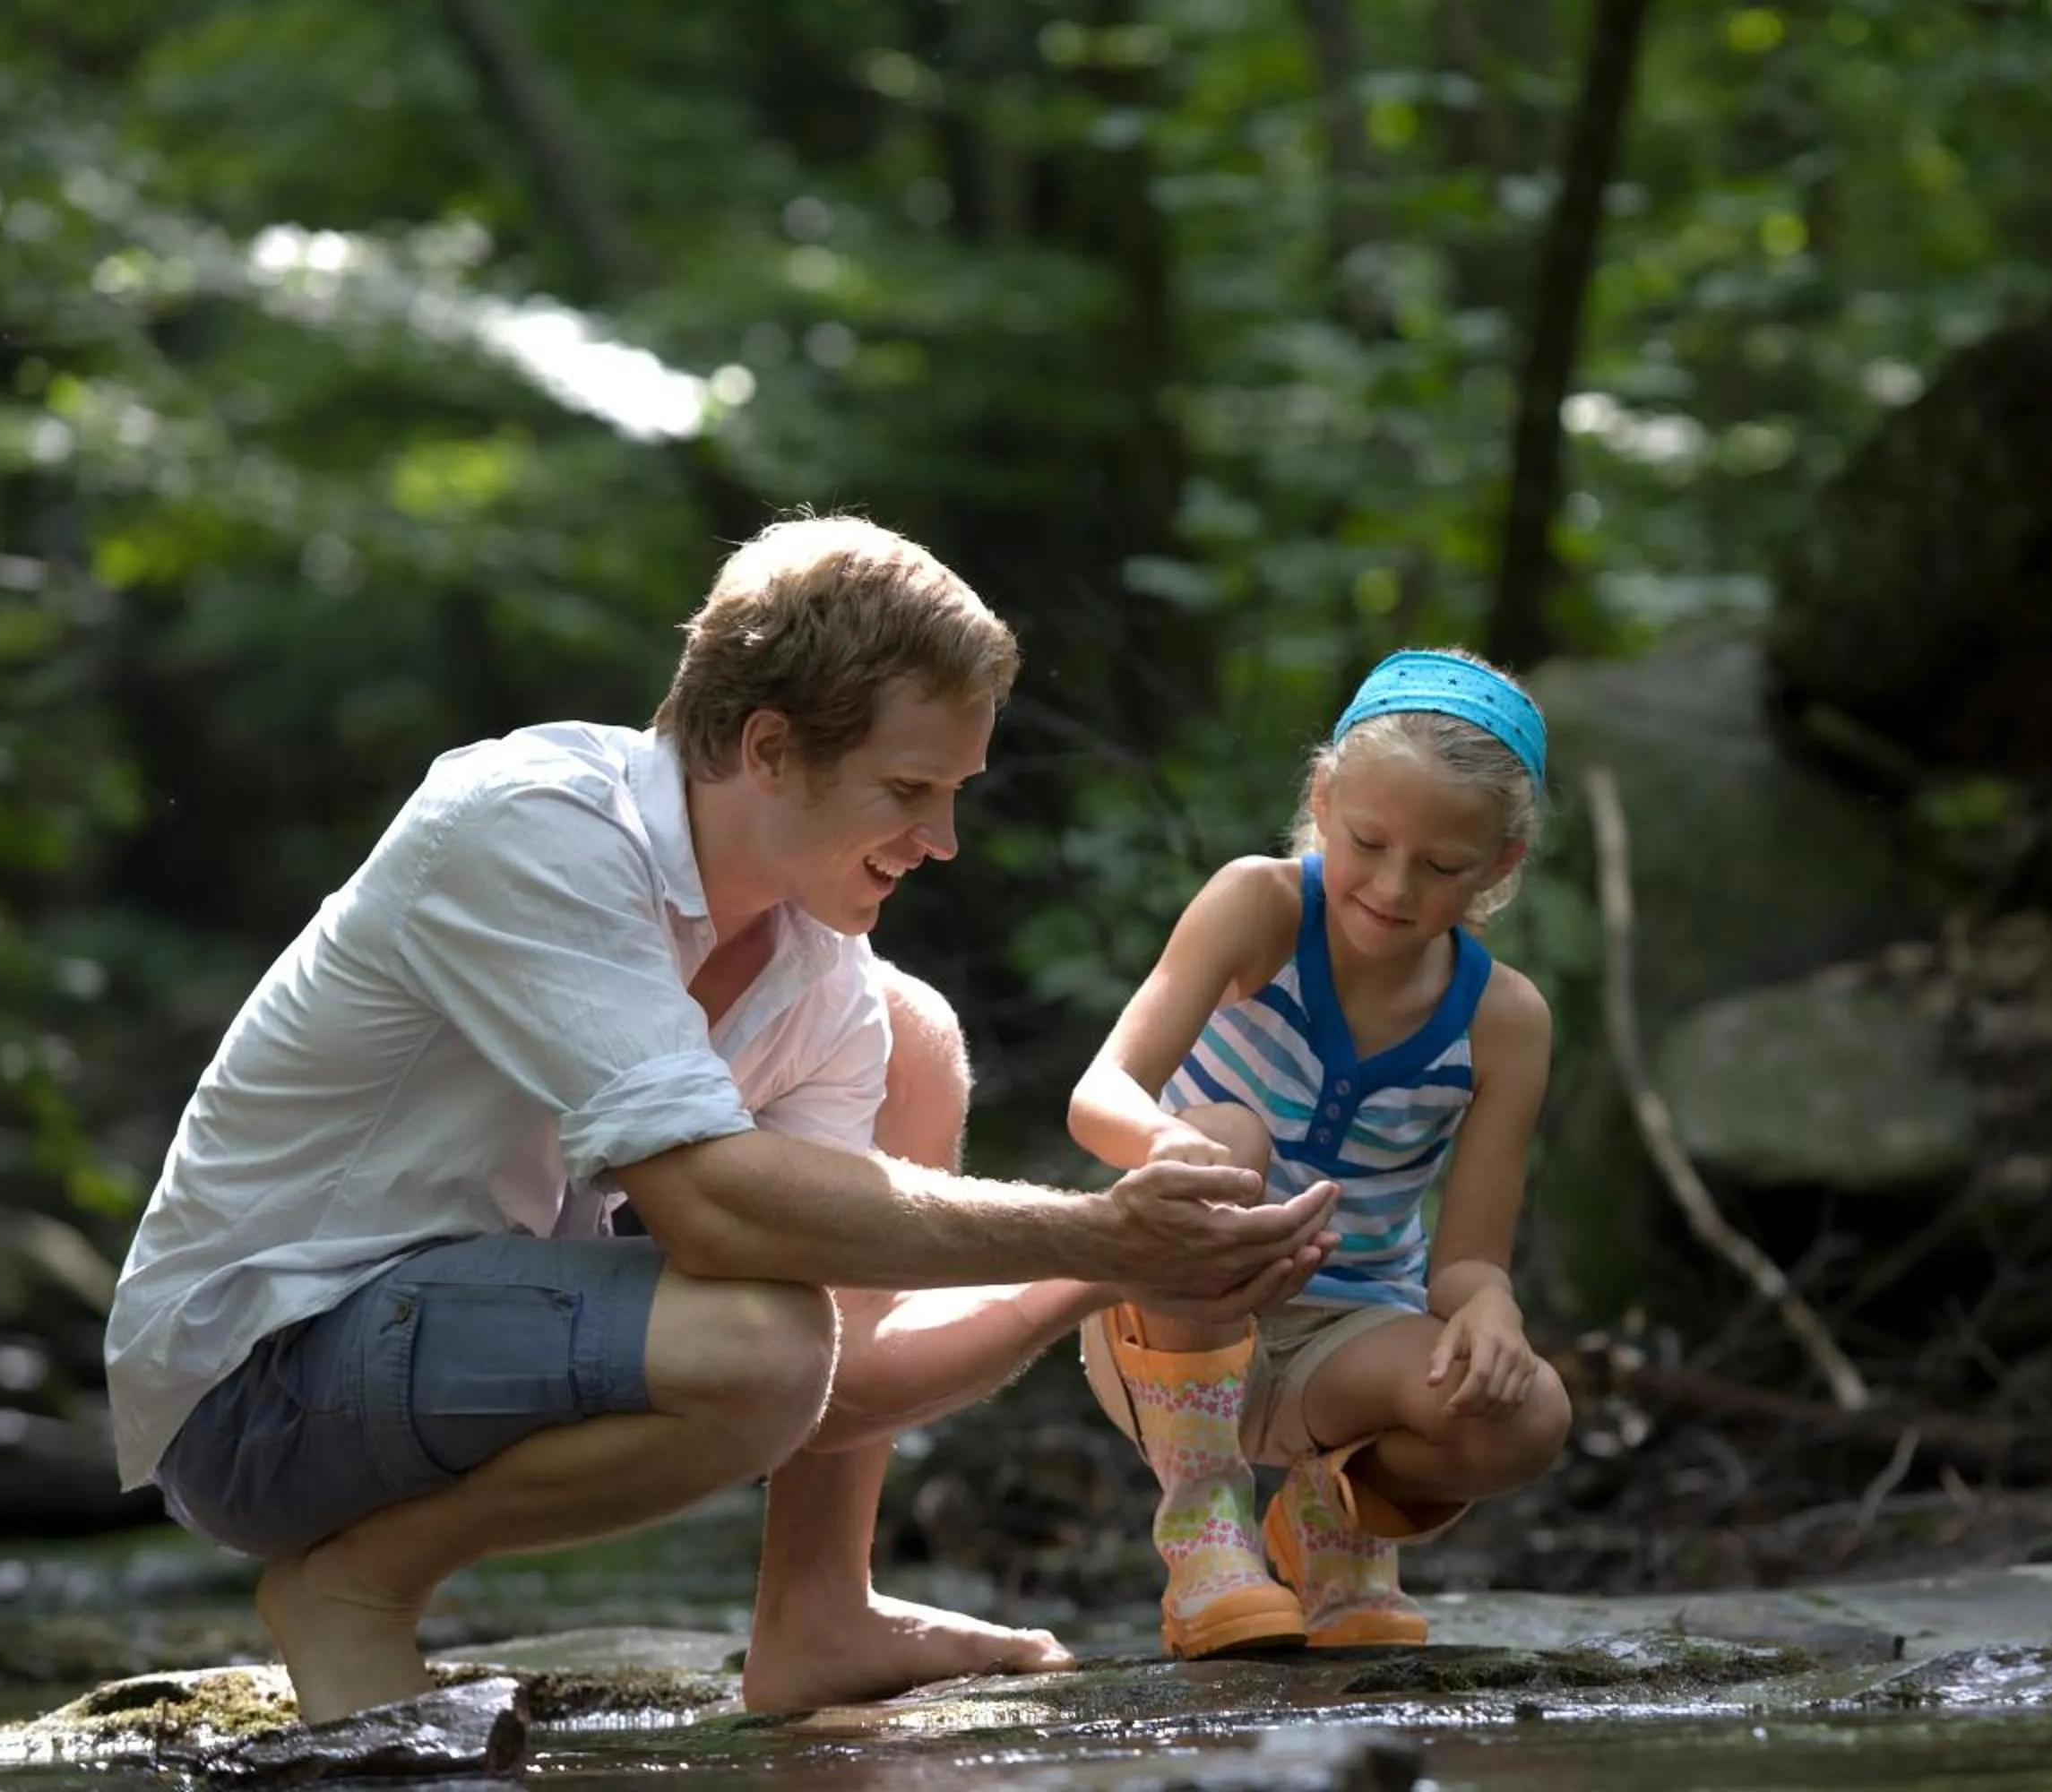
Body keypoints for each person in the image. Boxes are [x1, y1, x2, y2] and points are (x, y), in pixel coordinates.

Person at [102, 514, 1341, 1725]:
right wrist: (1097, 1232)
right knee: (757, 1333)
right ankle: (356, 1587)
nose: (944, 840)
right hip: (258, 1378)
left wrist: (1118, 1264)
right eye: (909, 789)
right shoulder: (531, 824)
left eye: (955, 792)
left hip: (441, 1355)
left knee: (904, 1063)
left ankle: (818, 1613)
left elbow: (834, 1377)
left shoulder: (821, 976)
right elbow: (718, 1221)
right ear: (768, 747)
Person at [1068, 647, 1573, 1658]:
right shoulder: (1258, 906)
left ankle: (1323, 1522)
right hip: (1174, 1312)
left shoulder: (1504, 1020)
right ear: (1324, 798)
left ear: (1500, 863)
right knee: (1228, 1139)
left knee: (1529, 1416)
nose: (1393, 886)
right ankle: (1205, 1529)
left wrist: (1492, 1310)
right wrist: (1179, 1148)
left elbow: (1468, 1262)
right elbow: (1101, 1094)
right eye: (1369, 842)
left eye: (1441, 866)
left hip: (1350, 1341)